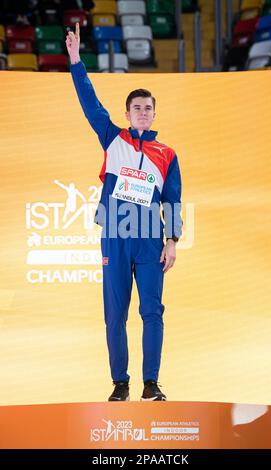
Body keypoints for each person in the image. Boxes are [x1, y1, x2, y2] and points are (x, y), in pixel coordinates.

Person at [66, 23, 183, 402]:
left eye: (148, 108)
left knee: (152, 311)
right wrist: (75, 60)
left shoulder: (167, 154)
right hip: (115, 234)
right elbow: (89, 103)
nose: (143, 113)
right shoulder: (112, 137)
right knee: (114, 314)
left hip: (150, 238)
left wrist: (172, 240)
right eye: (137, 108)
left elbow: (173, 199)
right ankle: (121, 383)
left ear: (153, 113)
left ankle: (151, 383)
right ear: (128, 113)